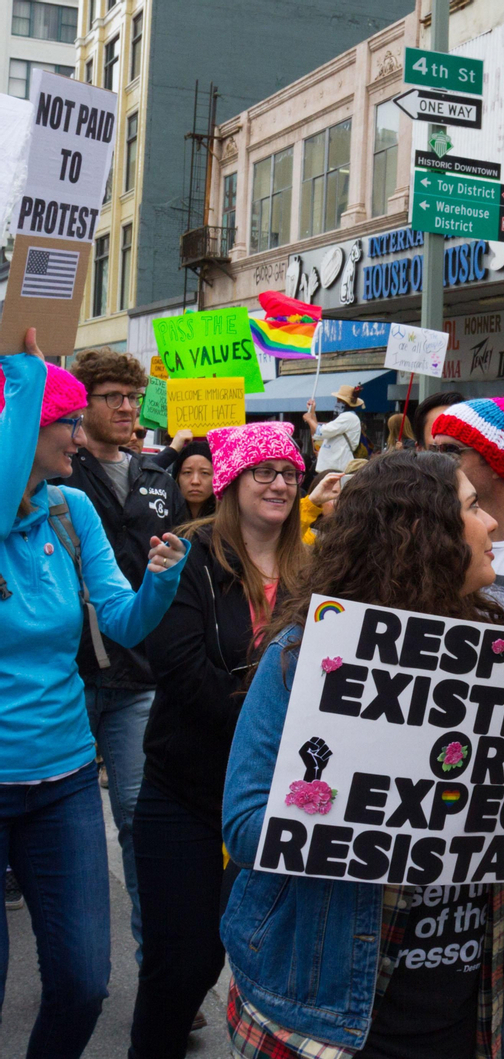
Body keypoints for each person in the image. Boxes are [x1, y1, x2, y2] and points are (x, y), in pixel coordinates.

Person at [219, 450, 504, 1058]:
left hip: (465, 1007)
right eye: (473, 507)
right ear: (424, 534)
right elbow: (244, 826)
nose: (493, 525)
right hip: (327, 1009)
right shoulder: (306, 654)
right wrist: (384, 800)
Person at [0, 329, 187, 1059]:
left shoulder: (69, 510)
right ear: (23, 424)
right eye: (64, 421)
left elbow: (120, 619)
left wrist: (161, 580)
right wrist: (25, 367)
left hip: (64, 780)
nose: (77, 439)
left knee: (83, 983)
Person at [128, 422, 309, 1057]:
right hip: (187, 792)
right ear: (232, 482)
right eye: (264, 471)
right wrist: (270, 733)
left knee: (249, 957)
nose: (280, 482)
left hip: (273, 799)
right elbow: (177, 669)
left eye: (289, 472)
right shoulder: (187, 555)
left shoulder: (313, 567)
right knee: (182, 965)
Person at [63, 347, 182, 961]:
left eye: (132, 398)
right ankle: (72, 959)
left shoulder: (158, 478)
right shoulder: (56, 473)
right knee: (64, 825)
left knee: (138, 817)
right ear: (80, 404)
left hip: (139, 674)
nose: (127, 408)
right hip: (70, 674)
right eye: (112, 397)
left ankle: (154, 963)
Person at [428, 397, 504, 617]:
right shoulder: (425, 535)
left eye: (450, 451)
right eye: (433, 450)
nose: (437, 462)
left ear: (497, 464)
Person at [303, 384, 365, 474]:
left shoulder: (348, 417)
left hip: (336, 468)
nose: (336, 403)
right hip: (330, 467)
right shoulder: (344, 418)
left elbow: (321, 431)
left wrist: (309, 419)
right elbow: (317, 435)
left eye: (338, 400)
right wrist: (312, 413)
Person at [174, 440, 215, 523]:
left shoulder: (228, 522)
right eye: (187, 472)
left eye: (205, 473)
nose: (195, 481)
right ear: (177, 477)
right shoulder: (165, 519)